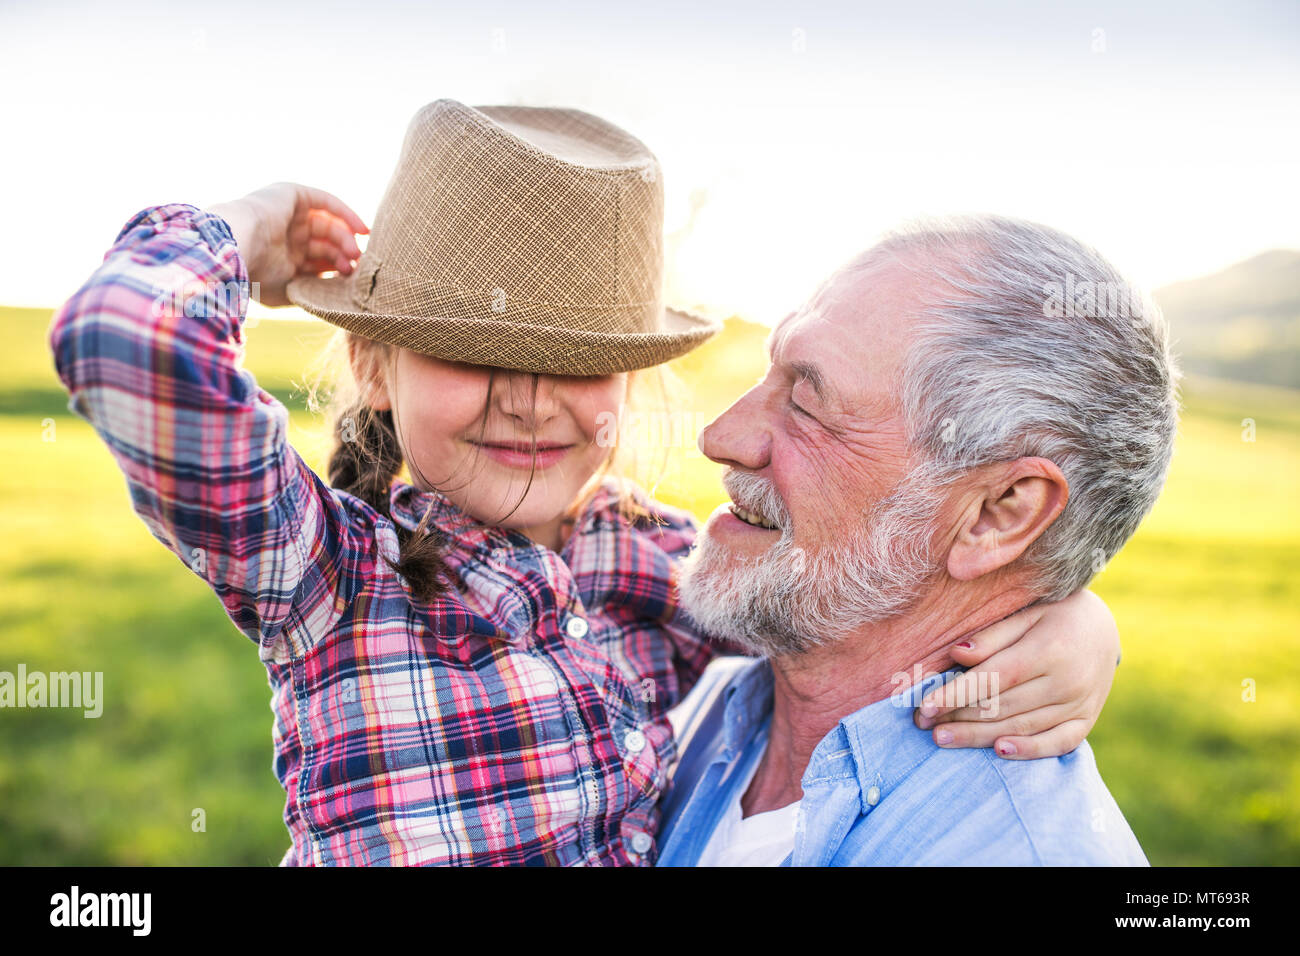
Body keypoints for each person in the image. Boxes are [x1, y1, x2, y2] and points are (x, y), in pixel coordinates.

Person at [49, 99, 1123, 866]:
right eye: (467, 351)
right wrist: (245, 224)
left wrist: (1068, 617)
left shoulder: (657, 560)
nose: (528, 401)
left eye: (571, 361)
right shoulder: (323, 572)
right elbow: (120, 340)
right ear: (376, 366)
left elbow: (856, 619)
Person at [656, 215, 1179, 866]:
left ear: (997, 514)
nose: (720, 437)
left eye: (809, 406)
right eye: (769, 376)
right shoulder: (695, 708)